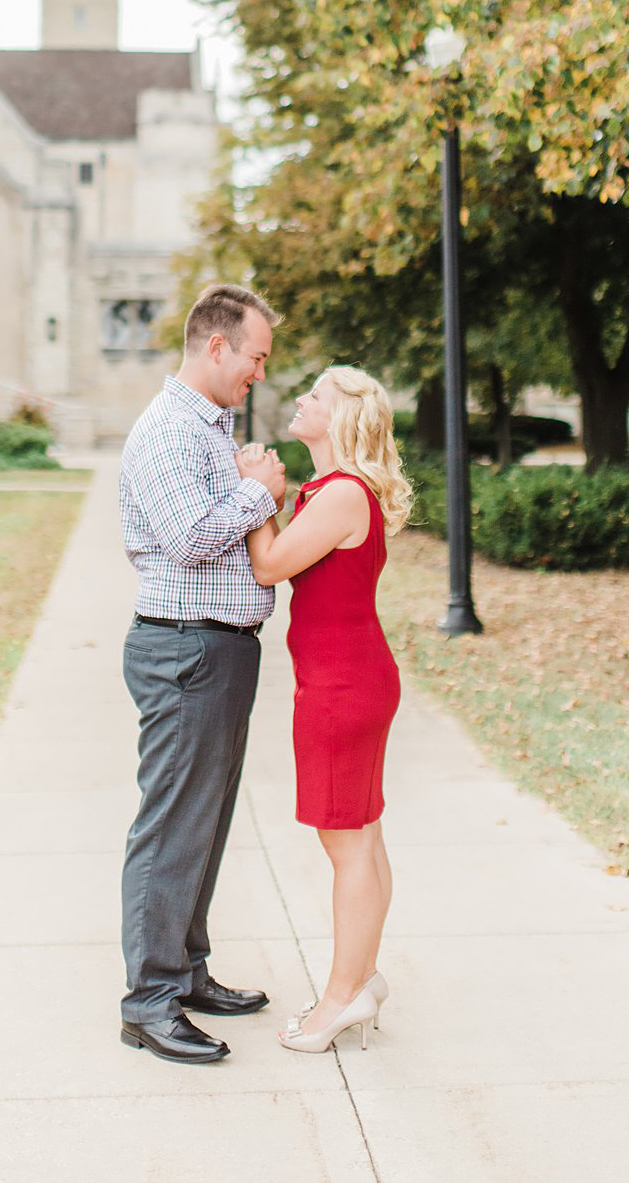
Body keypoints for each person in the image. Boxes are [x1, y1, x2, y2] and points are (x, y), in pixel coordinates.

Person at [118, 282, 287, 1065]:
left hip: (219, 650)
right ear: (216, 346)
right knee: (172, 827)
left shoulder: (212, 429)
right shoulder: (169, 432)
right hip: (185, 649)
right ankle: (149, 1003)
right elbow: (190, 539)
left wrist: (249, 481)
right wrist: (261, 490)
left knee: (206, 825)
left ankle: (186, 971)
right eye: (255, 356)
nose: (259, 371)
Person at [238, 365, 412, 1055]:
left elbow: (270, 565)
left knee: (347, 843)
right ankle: (361, 980)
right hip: (349, 679)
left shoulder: (341, 494)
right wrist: (274, 501)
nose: (300, 399)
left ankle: (340, 997)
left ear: (338, 420)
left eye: (314, 395)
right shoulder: (336, 492)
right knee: (361, 836)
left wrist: (256, 497)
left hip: (343, 688)